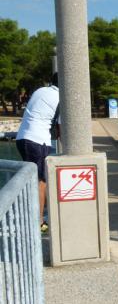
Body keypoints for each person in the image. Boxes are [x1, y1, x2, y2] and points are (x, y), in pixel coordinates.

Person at [16, 73, 60, 232]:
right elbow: (62, 128)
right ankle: (38, 223)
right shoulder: (61, 98)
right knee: (40, 182)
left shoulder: (40, 90)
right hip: (37, 141)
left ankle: (37, 216)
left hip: (22, 138)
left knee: (36, 179)